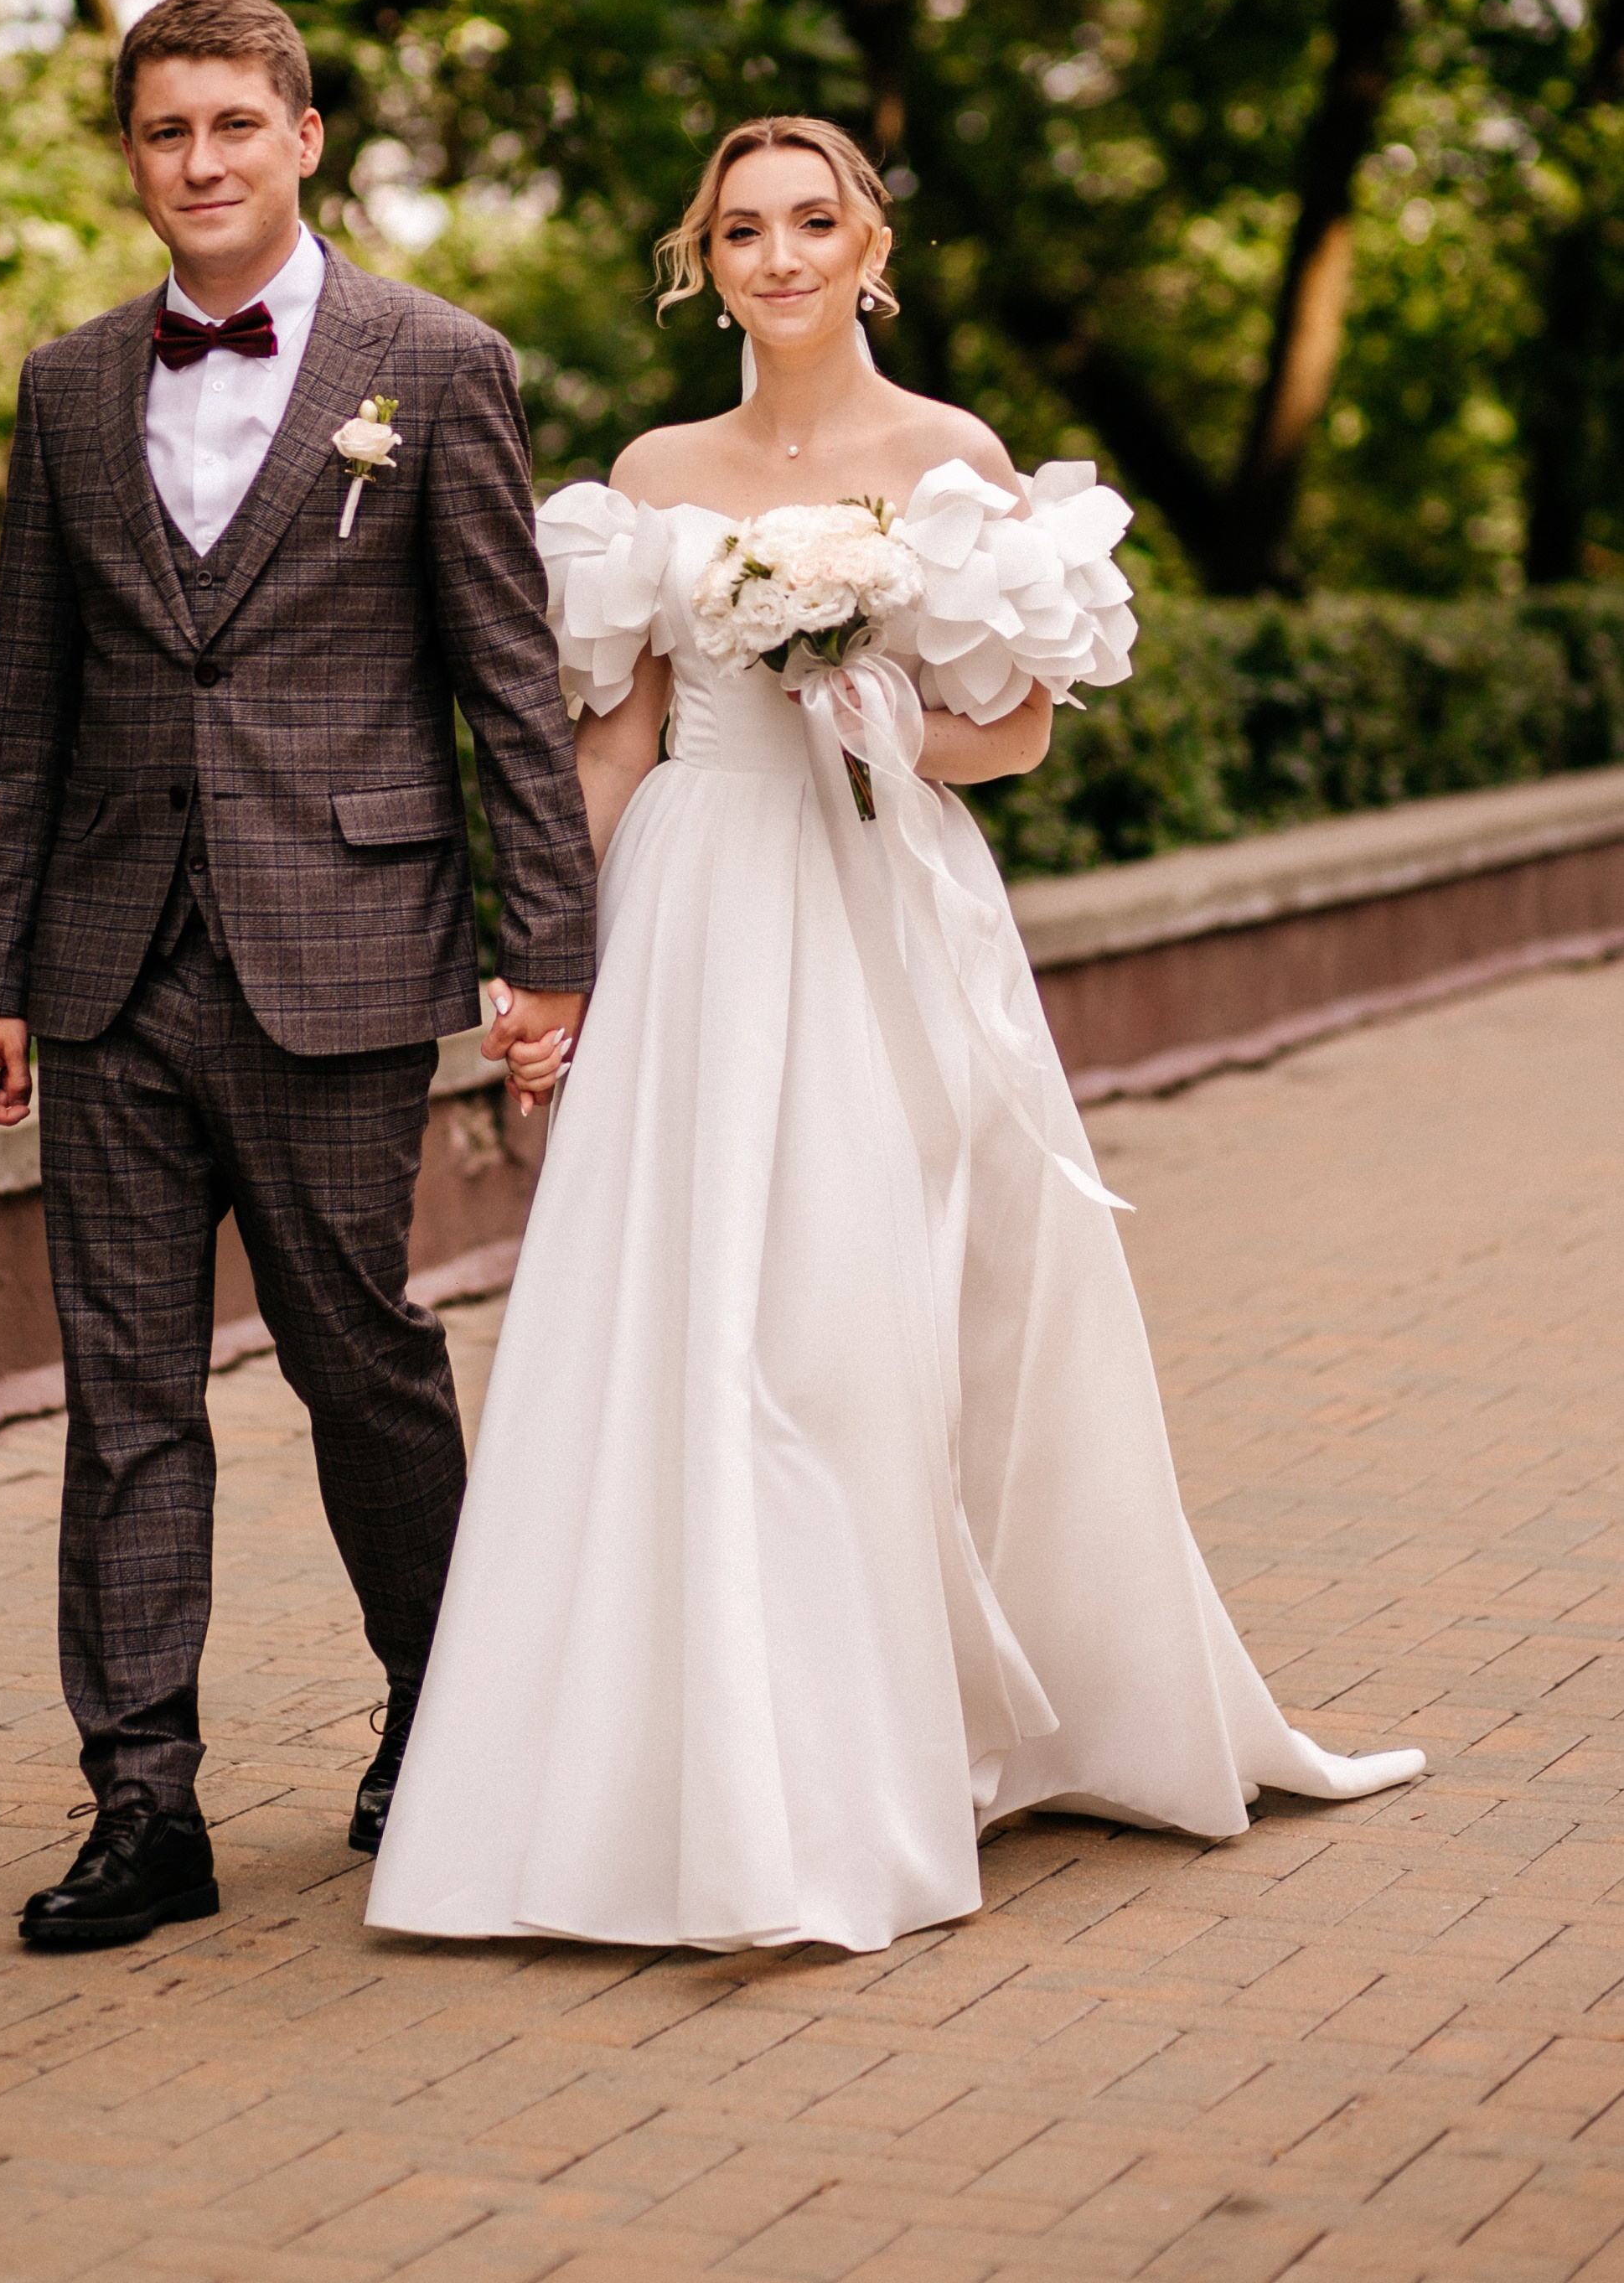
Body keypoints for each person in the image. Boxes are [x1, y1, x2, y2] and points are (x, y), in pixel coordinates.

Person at [367, 113, 1426, 1956]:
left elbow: (1011, 733)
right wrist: (553, 972)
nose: (780, 254)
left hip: (876, 911)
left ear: (871, 245)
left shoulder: (950, 455)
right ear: (706, 259)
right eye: (743, 227)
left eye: (814, 220)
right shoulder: (655, 465)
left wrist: (881, 722)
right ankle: (676, 1775)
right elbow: (611, 744)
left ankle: (898, 1743)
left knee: (873, 1321)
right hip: (697, 909)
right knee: (686, 1320)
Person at [0, 0, 595, 1949]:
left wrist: (546, 948)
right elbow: (27, 702)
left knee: (361, 1362)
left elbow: (508, 684)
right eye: (165, 132)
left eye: (235, 123)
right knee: (127, 1393)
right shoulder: (68, 386)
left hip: (341, 945)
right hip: (107, 965)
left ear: (305, 136)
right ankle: (143, 1802)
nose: (201, 161)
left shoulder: (435, 361)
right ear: (131, 155)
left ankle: (444, 1710)